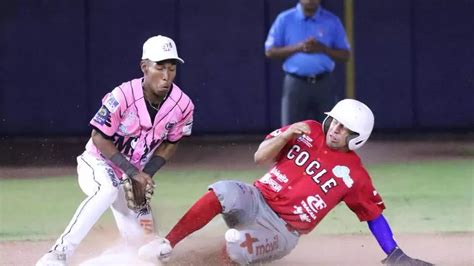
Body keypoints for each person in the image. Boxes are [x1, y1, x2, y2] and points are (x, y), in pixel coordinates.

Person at [138, 99, 433, 265]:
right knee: (223, 189)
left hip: (282, 232)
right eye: (335, 122)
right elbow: (259, 157)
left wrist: (394, 253)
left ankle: (189, 263)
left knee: (236, 248)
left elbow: (373, 215)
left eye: (345, 129)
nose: (335, 130)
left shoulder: (354, 175)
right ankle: (167, 244)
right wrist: (287, 134)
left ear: (357, 138)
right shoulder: (308, 130)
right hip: (255, 199)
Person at [36, 35, 194, 266]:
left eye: (171, 69)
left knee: (151, 251)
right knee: (107, 190)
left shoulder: (183, 105)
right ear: (144, 67)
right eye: (159, 67)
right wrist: (133, 172)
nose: (166, 75)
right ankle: (59, 253)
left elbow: (172, 141)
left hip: (133, 176)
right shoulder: (122, 95)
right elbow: (98, 137)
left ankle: (111, 257)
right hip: (98, 163)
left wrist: (146, 174)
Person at [265, 0, 351, 126]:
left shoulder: (332, 21)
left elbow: (346, 55)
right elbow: (270, 51)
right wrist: (299, 47)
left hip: (324, 83)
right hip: (295, 83)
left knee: (328, 129)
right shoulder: (284, 19)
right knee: (291, 131)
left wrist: (323, 48)